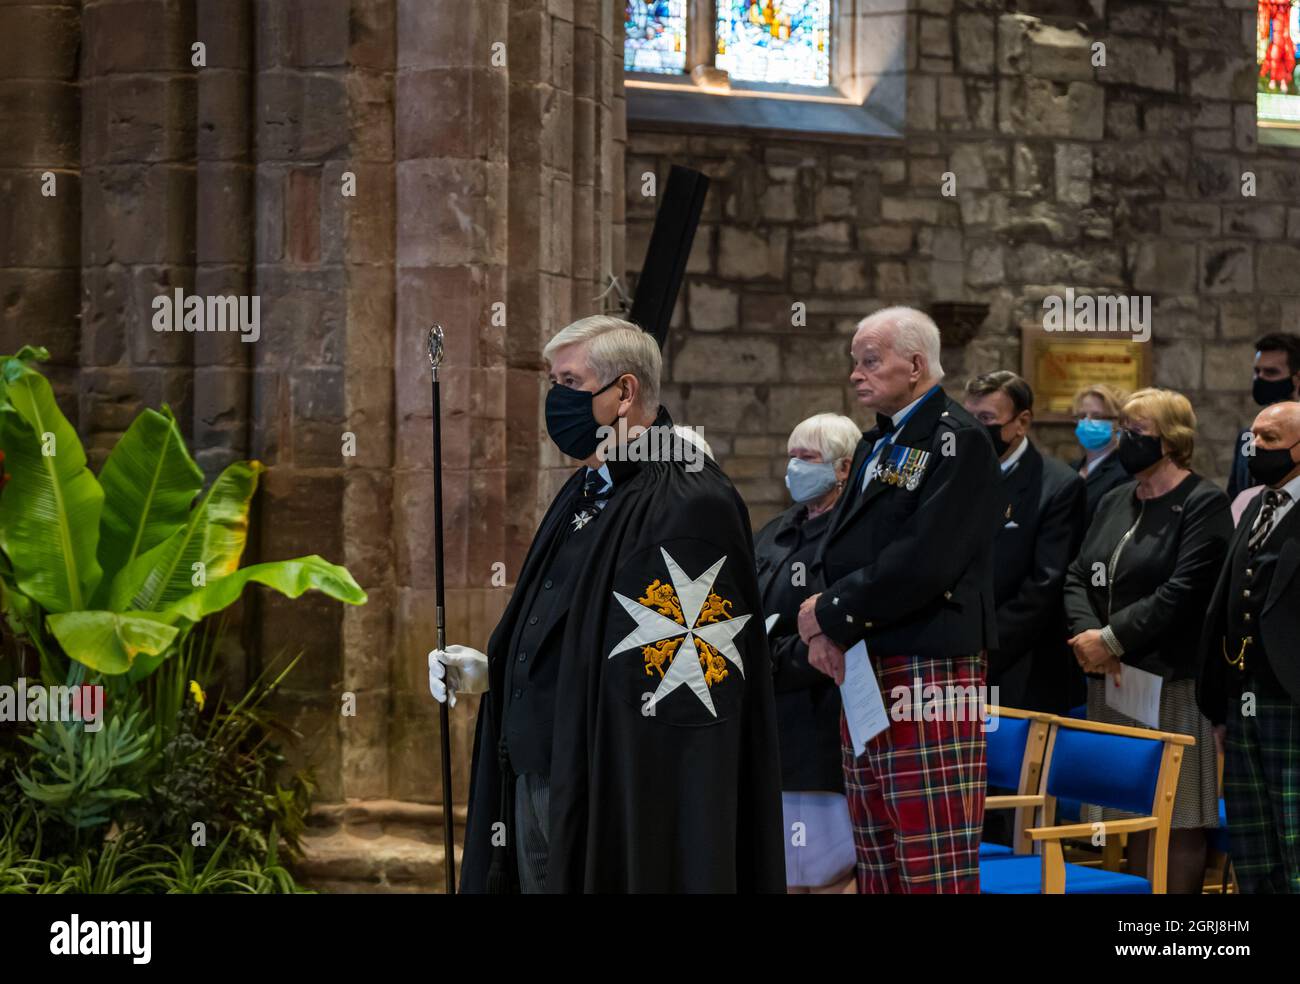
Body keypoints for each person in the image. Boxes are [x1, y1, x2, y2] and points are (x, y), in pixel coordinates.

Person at [428, 315, 784, 893]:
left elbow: (686, 681)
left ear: (624, 391)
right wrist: (497, 670)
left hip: (611, 788)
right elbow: (587, 626)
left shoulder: (690, 498)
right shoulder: (588, 486)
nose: (555, 399)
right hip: (535, 769)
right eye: (553, 381)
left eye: (569, 382)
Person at [795, 306, 1001, 894]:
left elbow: (925, 560)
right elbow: (840, 547)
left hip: (930, 665)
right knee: (876, 842)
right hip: (868, 660)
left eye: (870, 361)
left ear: (915, 365)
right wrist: (821, 625)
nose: (857, 374)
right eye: (854, 362)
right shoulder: (874, 443)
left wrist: (827, 614)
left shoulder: (959, 441)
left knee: (930, 850)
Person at [1063, 387, 1231, 894]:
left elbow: (1182, 590)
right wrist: (1085, 635)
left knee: (1177, 815)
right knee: (1131, 810)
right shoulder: (1116, 497)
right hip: (1111, 680)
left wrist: (1110, 639)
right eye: (1123, 431)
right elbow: (1077, 573)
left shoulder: (1203, 502)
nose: (1123, 440)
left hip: (1172, 680)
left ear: (1172, 439)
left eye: (1136, 433)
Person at [754, 412, 861, 894]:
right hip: (769, 718)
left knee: (823, 872)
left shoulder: (853, 534)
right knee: (781, 872)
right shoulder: (777, 529)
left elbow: (844, 624)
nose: (796, 467)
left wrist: (776, 660)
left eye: (809, 458)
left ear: (843, 469)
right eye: (792, 456)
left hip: (820, 719)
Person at [1198, 401, 1300, 893]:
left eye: (1271, 440)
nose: (1256, 448)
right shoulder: (1259, 502)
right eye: (1254, 438)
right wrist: (1219, 701)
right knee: (1253, 839)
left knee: (1295, 839)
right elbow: (1227, 600)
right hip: (1243, 697)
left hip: (1292, 699)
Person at [963, 371, 1086, 715]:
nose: (975, 429)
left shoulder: (1057, 485)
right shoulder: (958, 476)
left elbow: (1044, 585)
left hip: (1021, 663)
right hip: (957, 654)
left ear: (1022, 422)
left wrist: (984, 649)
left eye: (986, 419)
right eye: (969, 418)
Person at [1227, 332, 1300, 500]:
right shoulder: (1247, 436)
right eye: (1257, 371)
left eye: (1271, 372)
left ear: (1297, 379)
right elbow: (1236, 492)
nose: (1260, 378)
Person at [1070, 383, 1130, 525]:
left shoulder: (1126, 473)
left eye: (1096, 416)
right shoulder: (1070, 469)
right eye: (1082, 416)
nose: (1086, 422)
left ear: (1119, 422)